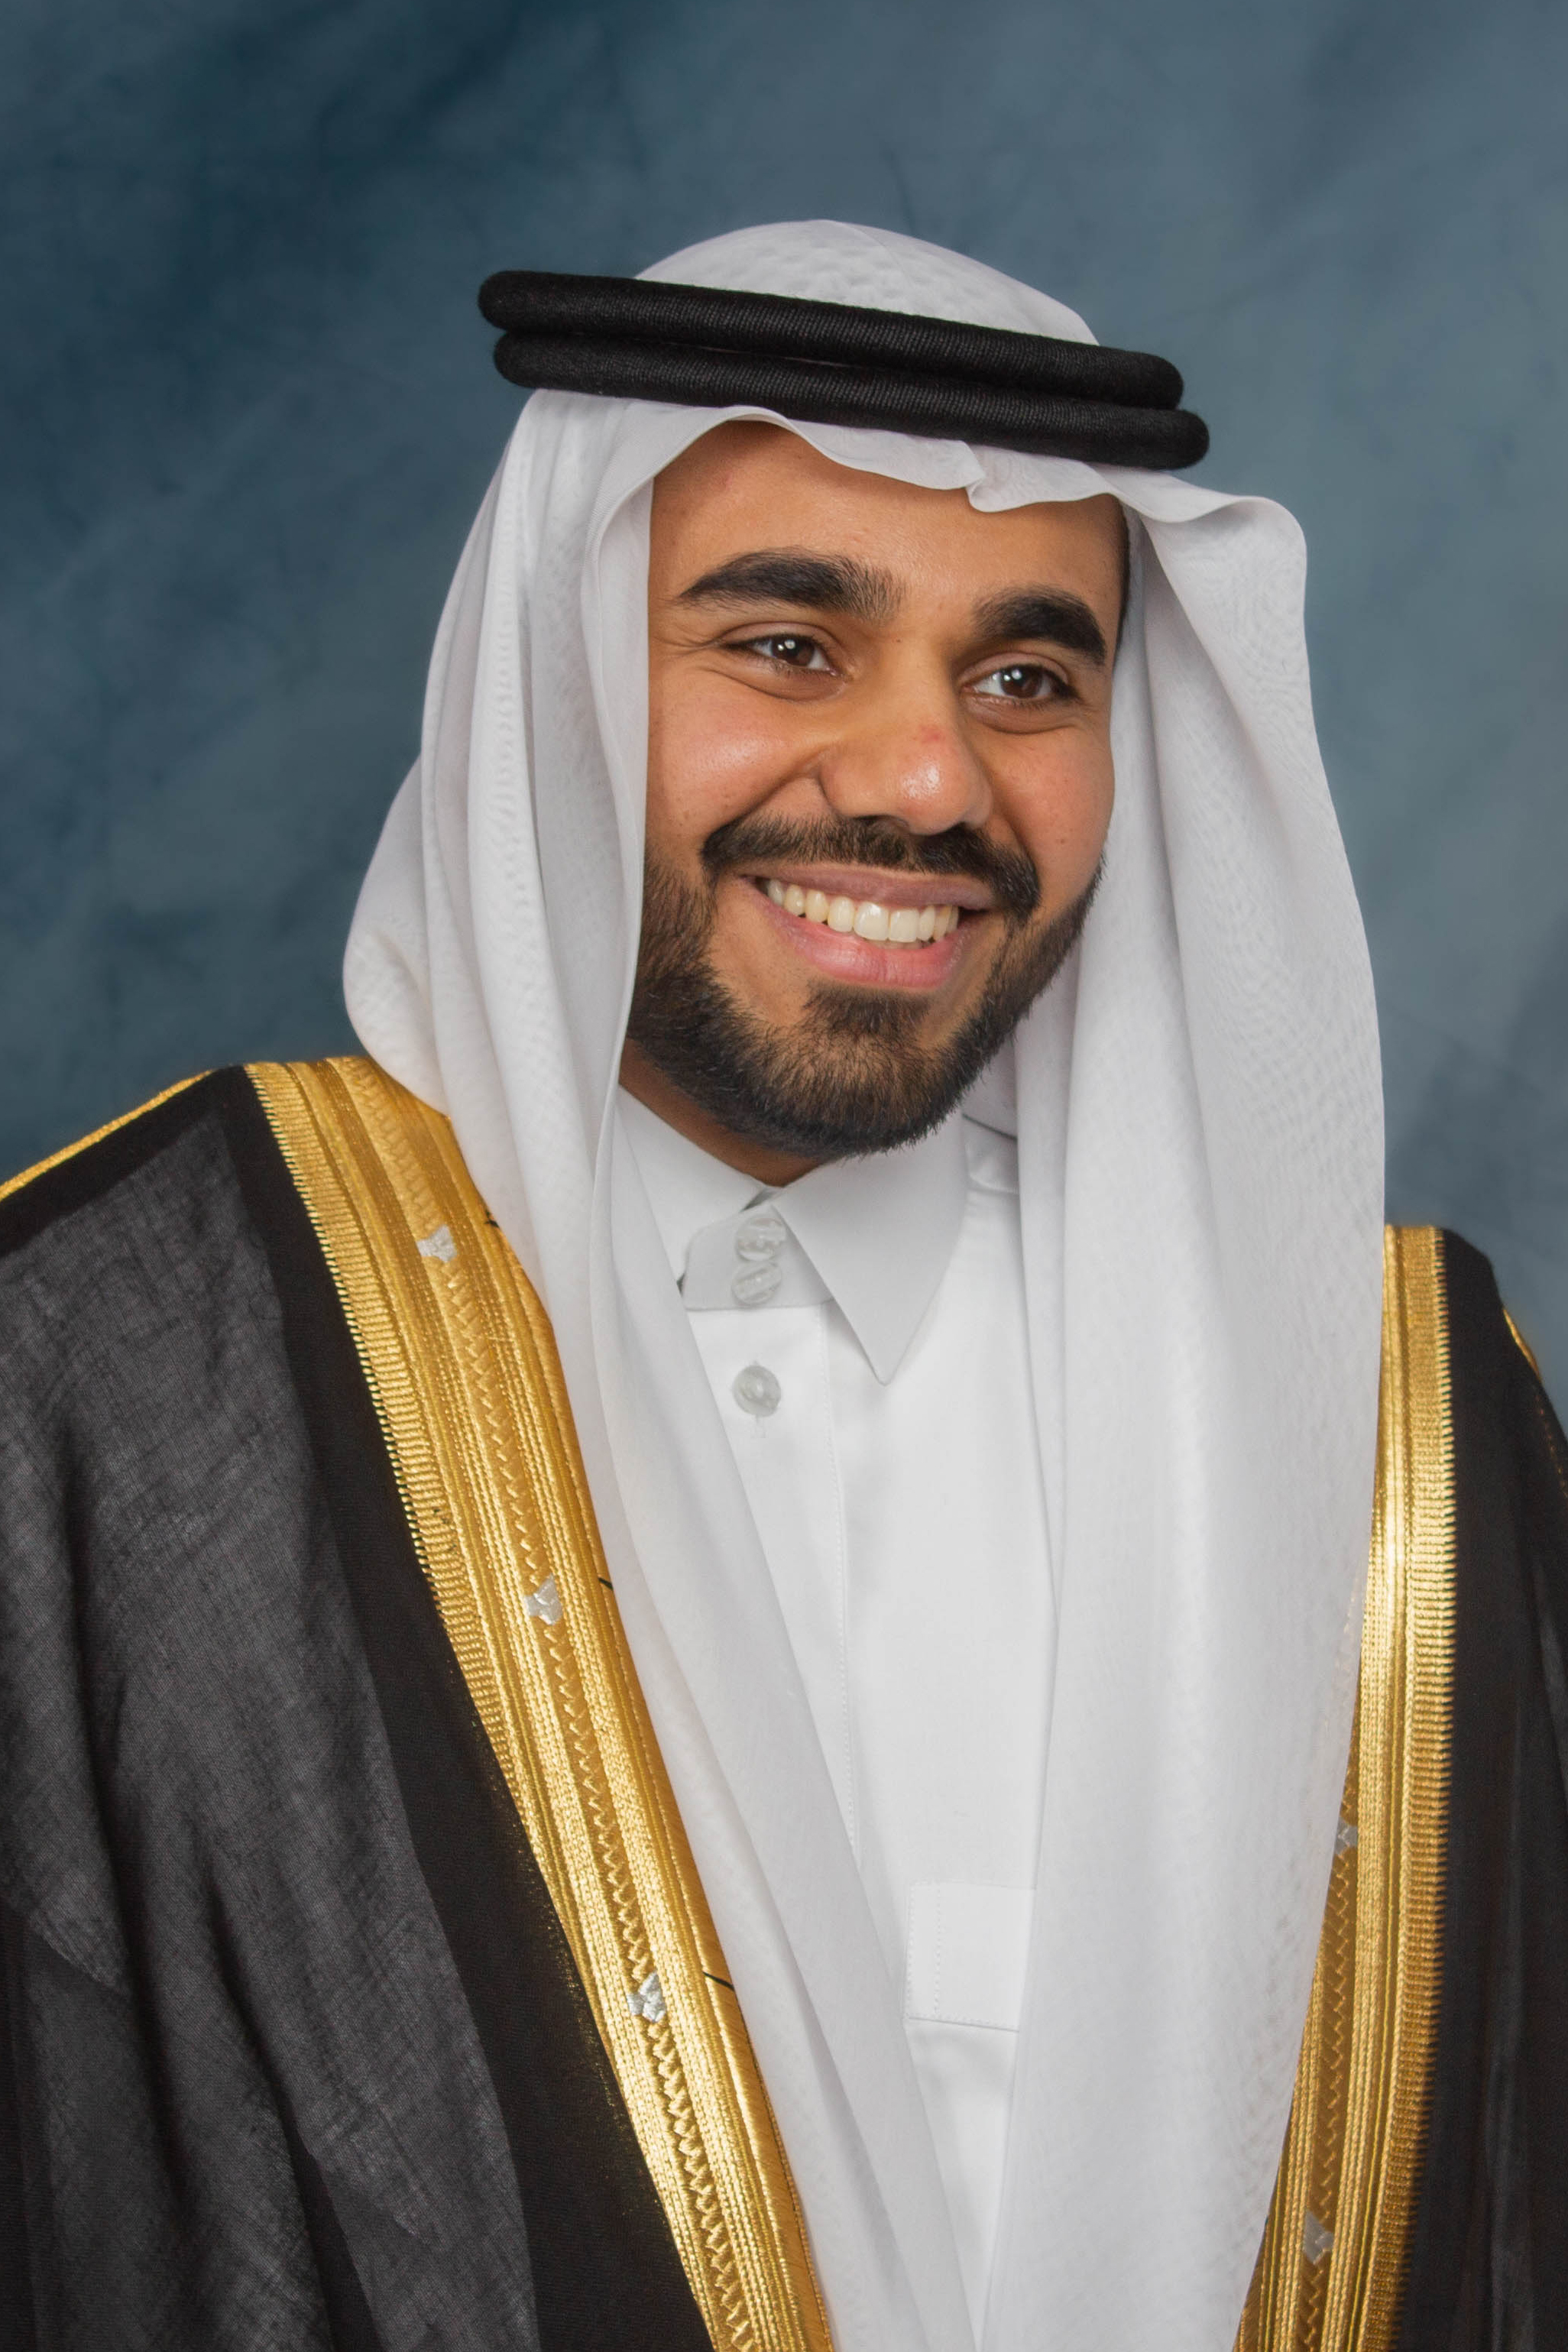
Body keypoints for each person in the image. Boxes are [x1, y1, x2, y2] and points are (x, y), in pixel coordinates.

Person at [1, 221, 1563, 2352]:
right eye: (787, 645)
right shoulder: (110, 1371)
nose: (926, 781)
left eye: (1027, 681)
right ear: (553, 684)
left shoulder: (1393, 1429)